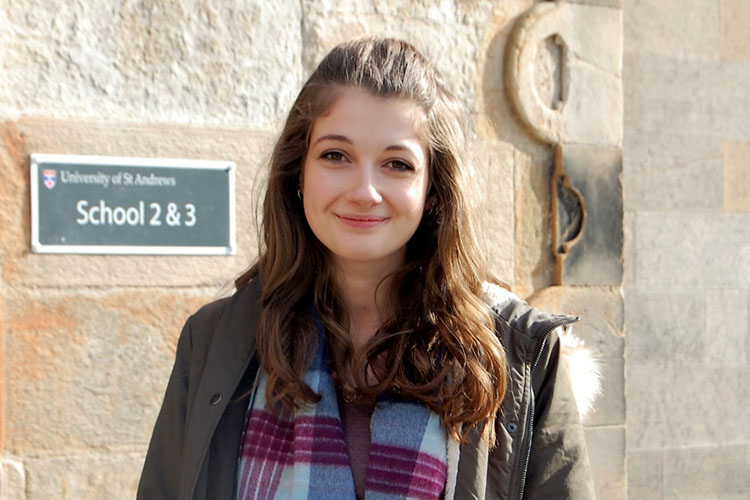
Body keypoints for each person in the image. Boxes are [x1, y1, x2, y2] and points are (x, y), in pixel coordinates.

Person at [137, 37, 598, 500]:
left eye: (397, 164)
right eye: (336, 156)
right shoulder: (216, 341)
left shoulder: (519, 355)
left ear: (432, 190)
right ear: (299, 173)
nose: (365, 191)